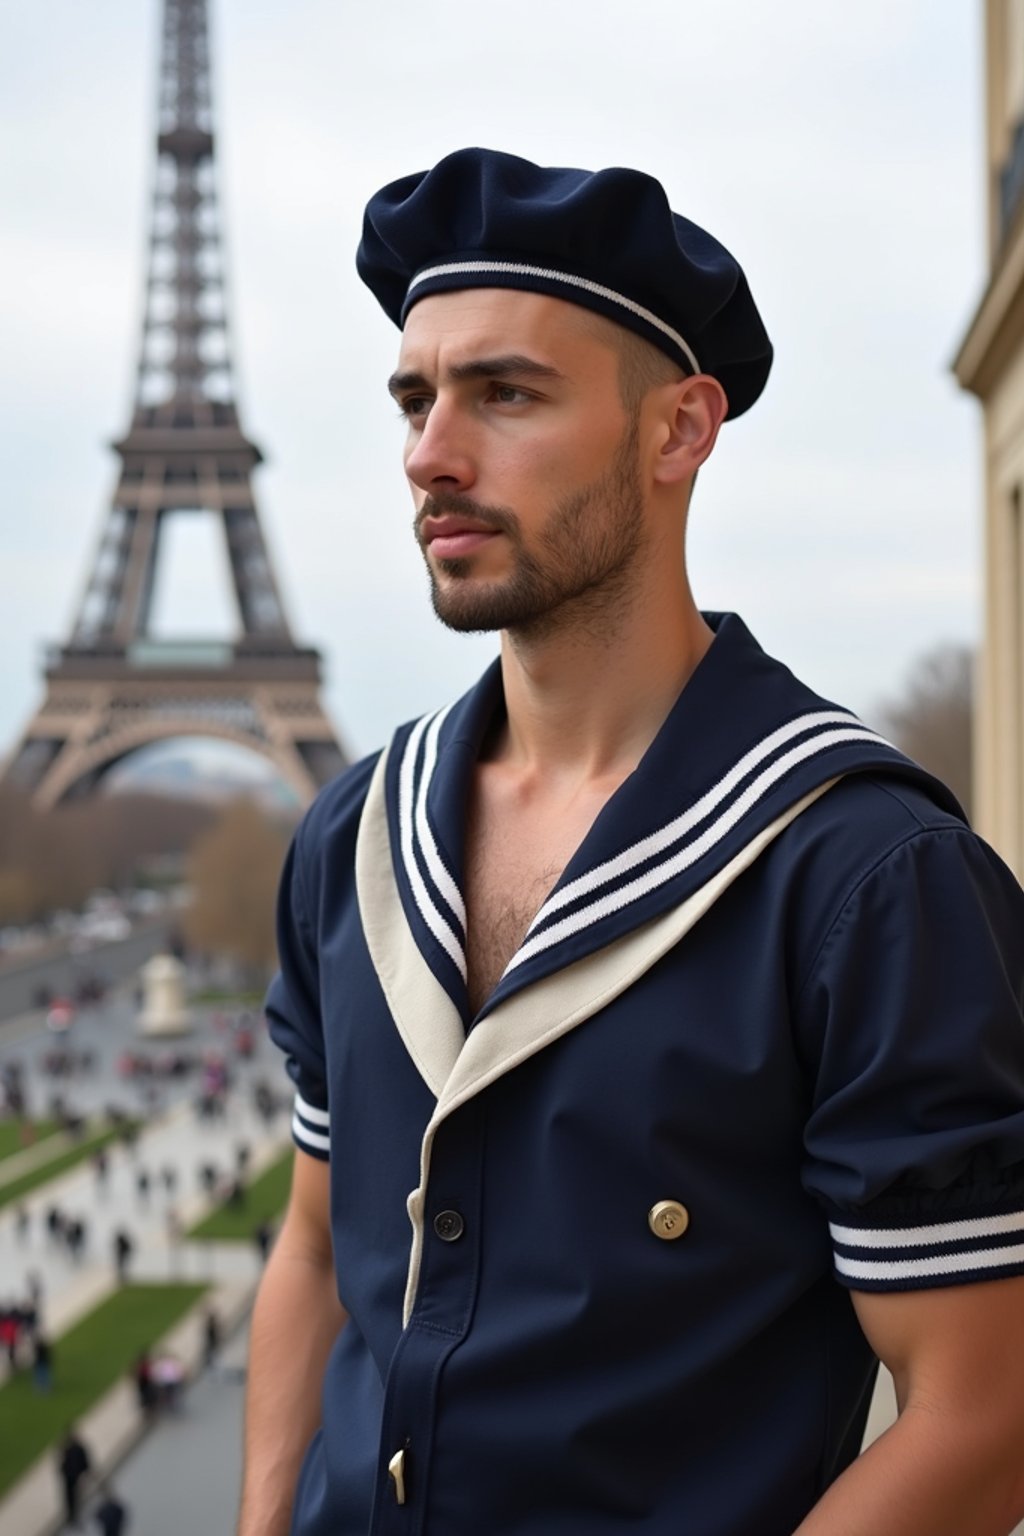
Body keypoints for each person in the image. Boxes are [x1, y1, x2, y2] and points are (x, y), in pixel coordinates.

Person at [239, 149, 1024, 1536]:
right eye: (416, 399)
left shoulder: (869, 880)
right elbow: (314, 1245)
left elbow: (984, 1416)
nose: (431, 454)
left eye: (507, 394)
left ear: (678, 431)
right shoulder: (348, 838)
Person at [57, 1427, 91, 1529]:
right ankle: (71, 1516)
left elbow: (84, 1462)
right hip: (70, 1478)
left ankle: (74, 1516)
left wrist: (84, 1473)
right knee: (70, 1498)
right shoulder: (67, 1449)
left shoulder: (77, 1448)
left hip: (75, 1478)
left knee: (75, 1498)